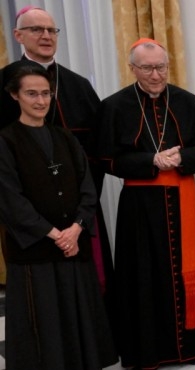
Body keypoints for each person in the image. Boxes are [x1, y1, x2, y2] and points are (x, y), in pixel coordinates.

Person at [94, 38, 195, 370]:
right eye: (147, 67)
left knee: (183, 273)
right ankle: (147, 352)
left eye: (161, 67)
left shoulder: (186, 102)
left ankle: (192, 346)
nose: (155, 74)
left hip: (182, 199)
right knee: (144, 277)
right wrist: (151, 160)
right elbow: (107, 159)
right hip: (140, 206)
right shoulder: (115, 105)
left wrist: (181, 157)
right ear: (132, 68)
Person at [0, 65, 116, 370]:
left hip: (72, 241)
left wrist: (77, 227)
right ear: (14, 96)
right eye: (32, 93)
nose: (40, 100)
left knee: (79, 310)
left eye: (45, 93)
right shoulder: (5, 140)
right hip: (35, 247)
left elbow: (87, 187)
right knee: (47, 316)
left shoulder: (65, 137)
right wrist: (52, 233)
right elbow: (9, 198)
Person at [0, 6, 114, 301]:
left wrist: (82, 213)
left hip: (78, 208)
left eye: (51, 30)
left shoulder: (79, 85)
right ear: (18, 35)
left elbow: (100, 149)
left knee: (89, 287)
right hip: (27, 211)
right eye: (37, 29)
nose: (46, 36)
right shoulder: (3, 85)